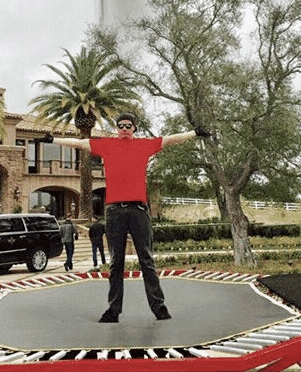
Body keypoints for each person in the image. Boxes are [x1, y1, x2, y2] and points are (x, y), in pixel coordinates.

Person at [43, 113, 212, 322]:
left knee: (146, 260)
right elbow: (80, 143)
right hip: (114, 212)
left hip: (139, 211)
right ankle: (113, 310)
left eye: (128, 126)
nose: (124, 129)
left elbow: (170, 140)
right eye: (120, 126)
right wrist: (54, 140)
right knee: (116, 262)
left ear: (134, 128)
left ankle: (159, 308)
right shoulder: (106, 145)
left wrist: (194, 133)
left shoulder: (144, 145)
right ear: (116, 128)